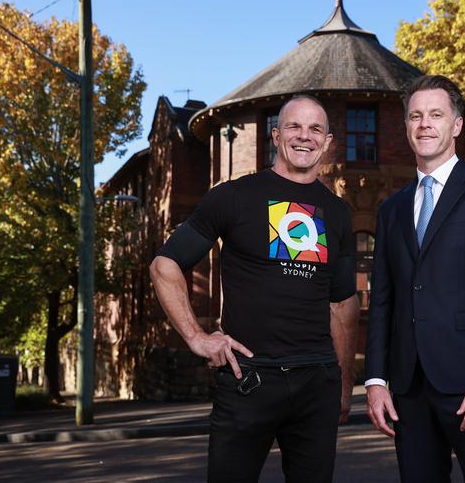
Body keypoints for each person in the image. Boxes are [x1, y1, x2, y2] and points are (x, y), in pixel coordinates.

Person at [150, 94, 359, 483]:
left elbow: (342, 305)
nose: (305, 136)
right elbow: (165, 265)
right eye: (294, 126)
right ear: (275, 135)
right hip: (248, 379)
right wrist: (196, 337)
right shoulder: (233, 196)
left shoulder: (337, 212)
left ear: (328, 142)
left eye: (316, 129)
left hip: (317, 382)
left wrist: (345, 387)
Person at [364, 75, 465, 482]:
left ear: (456, 125)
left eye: (436, 114)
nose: (424, 124)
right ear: (406, 127)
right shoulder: (392, 210)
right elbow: (384, 301)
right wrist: (376, 380)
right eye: (416, 116)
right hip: (408, 390)